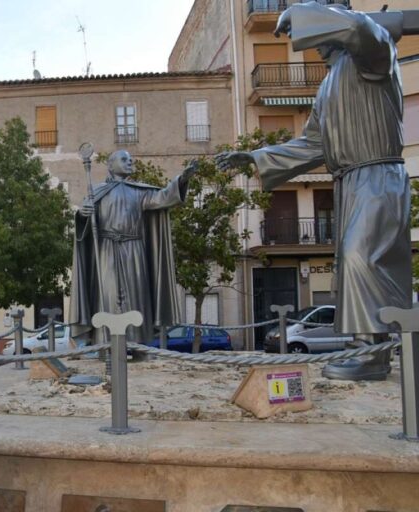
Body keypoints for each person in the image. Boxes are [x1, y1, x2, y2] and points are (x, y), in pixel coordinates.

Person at [215, 2, 412, 380]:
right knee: (352, 267)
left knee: (361, 258)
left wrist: (306, 11)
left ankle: (371, 356)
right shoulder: (328, 85)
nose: (312, 43)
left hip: (378, 175)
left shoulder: (371, 57)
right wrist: (254, 157)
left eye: (320, 31)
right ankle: (368, 349)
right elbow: (311, 146)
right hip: (349, 183)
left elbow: (363, 31)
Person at [69, 150, 196, 343]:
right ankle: (106, 344)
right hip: (105, 251)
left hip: (134, 250)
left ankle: (138, 345)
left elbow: (163, 197)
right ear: (110, 165)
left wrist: (182, 179)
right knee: (107, 297)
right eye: (124, 159)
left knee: (137, 298)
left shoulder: (140, 192)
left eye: (130, 159)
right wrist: (83, 215)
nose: (130, 162)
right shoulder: (96, 191)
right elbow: (83, 226)